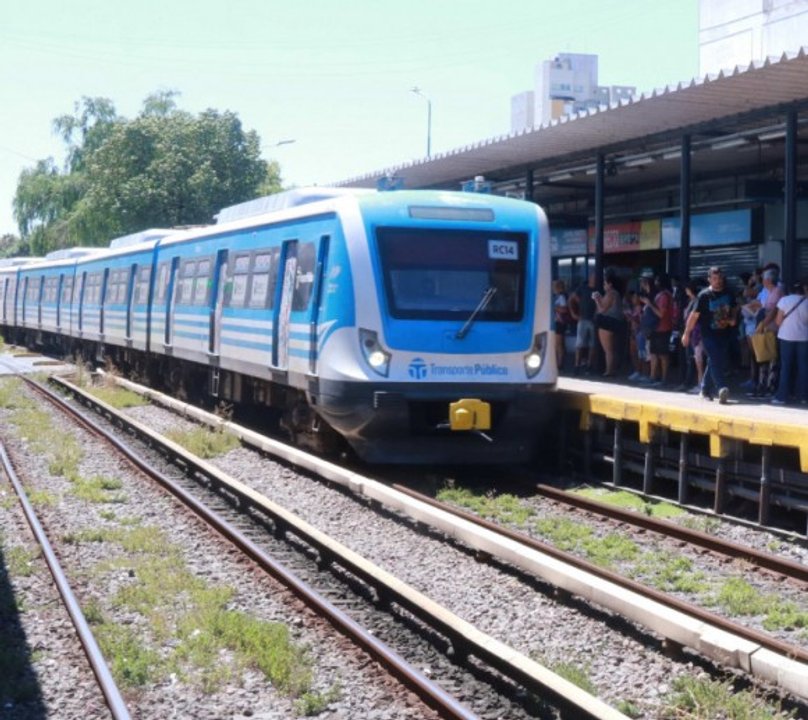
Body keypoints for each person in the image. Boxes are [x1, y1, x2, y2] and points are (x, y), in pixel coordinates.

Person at [681, 266, 738, 404]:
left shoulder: (729, 293)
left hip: (724, 333)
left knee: (714, 360)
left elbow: (735, 307)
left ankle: (705, 390)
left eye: (719, 278)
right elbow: (693, 316)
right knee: (715, 359)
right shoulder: (704, 296)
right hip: (708, 334)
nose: (717, 281)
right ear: (709, 280)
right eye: (714, 278)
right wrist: (686, 333)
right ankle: (721, 388)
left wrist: (733, 319)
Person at [771, 279, 808, 405]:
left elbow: (778, 321)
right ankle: (803, 396)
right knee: (803, 367)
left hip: (786, 337)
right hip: (803, 338)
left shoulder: (784, 300)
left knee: (786, 367)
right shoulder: (806, 302)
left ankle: (782, 397)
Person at [644, 273, 674, 387]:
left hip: (663, 328)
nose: (655, 283)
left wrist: (649, 304)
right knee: (654, 353)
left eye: (657, 281)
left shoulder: (664, 296)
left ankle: (664, 378)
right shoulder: (661, 295)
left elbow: (661, 314)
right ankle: (653, 376)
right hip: (656, 328)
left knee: (662, 354)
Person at [592, 270, 624, 377]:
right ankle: (612, 368)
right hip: (615, 322)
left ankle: (609, 370)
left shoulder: (611, 294)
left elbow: (602, 309)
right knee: (612, 348)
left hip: (607, 322)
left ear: (610, 284)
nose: (604, 285)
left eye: (605, 283)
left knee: (608, 349)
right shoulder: (616, 294)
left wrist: (597, 299)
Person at [568, 271, 597, 375]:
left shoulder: (597, 289)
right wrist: (573, 313)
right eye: (593, 277)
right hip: (583, 318)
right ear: (590, 278)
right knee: (580, 344)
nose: (595, 279)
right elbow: (572, 298)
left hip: (593, 320)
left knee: (592, 344)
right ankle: (577, 365)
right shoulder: (583, 288)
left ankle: (589, 366)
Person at [552, 279, 571, 370]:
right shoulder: (556, 296)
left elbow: (564, 309)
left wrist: (554, 308)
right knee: (558, 344)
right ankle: (558, 362)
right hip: (556, 322)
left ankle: (559, 363)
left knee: (558, 344)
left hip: (559, 322)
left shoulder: (561, 297)